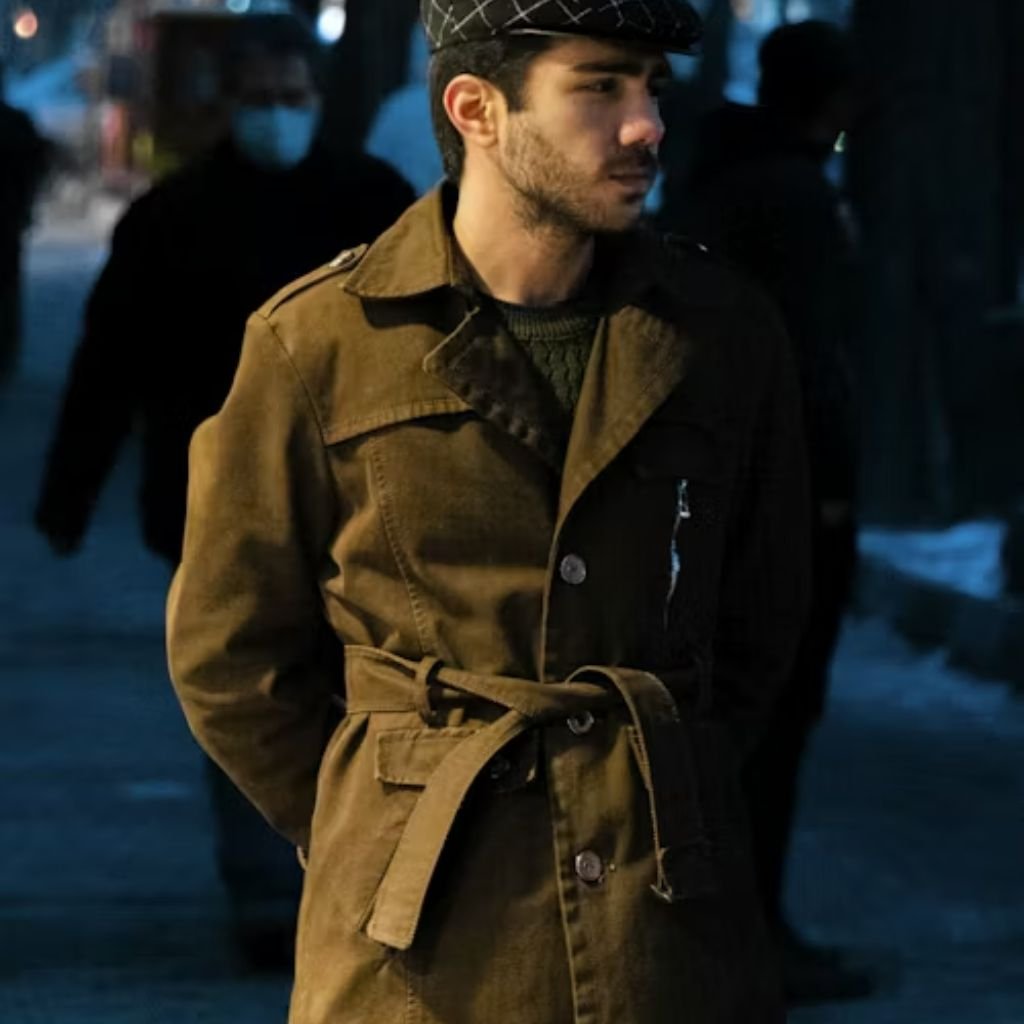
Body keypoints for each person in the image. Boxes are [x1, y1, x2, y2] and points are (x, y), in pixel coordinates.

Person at [167, 1, 811, 1020]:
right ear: (477, 109)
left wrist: (667, 773)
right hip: (413, 956)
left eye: (652, 88)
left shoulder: (720, 336)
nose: (645, 124)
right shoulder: (322, 342)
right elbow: (227, 651)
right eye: (599, 86)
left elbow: (764, 614)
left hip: (665, 938)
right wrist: (372, 814)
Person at [35, 13, 414, 968]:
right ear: (230, 103)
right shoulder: (175, 216)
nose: (276, 116)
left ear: (316, 100)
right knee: (251, 690)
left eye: (291, 97)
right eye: (259, 99)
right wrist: (69, 491)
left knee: (357, 689)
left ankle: (344, 880)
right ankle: (269, 892)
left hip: (358, 498)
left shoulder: (372, 202)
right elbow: (110, 360)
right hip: (213, 502)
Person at [679, 20, 870, 1004]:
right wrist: (829, 488)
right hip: (783, 490)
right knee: (775, 710)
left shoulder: (719, 180)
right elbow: (810, 356)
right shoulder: (794, 197)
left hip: (722, 482)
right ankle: (749, 933)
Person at [0, 58, 53, 386]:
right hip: (9, 220)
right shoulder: (17, 124)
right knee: (7, 288)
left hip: (9, 219)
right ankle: (5, 352)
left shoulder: (16, 124)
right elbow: (39, 162)